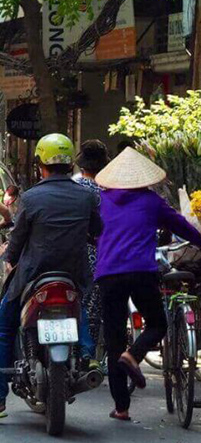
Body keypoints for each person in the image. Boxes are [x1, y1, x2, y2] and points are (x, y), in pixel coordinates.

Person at [94, 146, 201, 421]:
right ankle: (134, 355)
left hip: (108, 274)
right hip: (141, 271)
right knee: (157, 323)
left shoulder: (102, 201)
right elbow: (182, 226)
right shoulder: (151, 201)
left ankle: (121, 407)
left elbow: (93, 232)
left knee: (113, 341)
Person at [0, 134, 101, 419]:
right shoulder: (86, 196)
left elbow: (17, 241)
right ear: (70, 164)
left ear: (41, 165)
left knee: (5, 325)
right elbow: (98, 230)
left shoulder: (31, 198)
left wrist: (10, 260)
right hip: (72, 272)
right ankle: (88, 356)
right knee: (78, 308)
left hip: (34, 273)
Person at [74, 140, 110, 359]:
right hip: (98, 252)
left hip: (70, 252)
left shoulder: (73, 187)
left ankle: (76, 350)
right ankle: (89, 355)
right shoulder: (106, 191)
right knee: (93, 306)